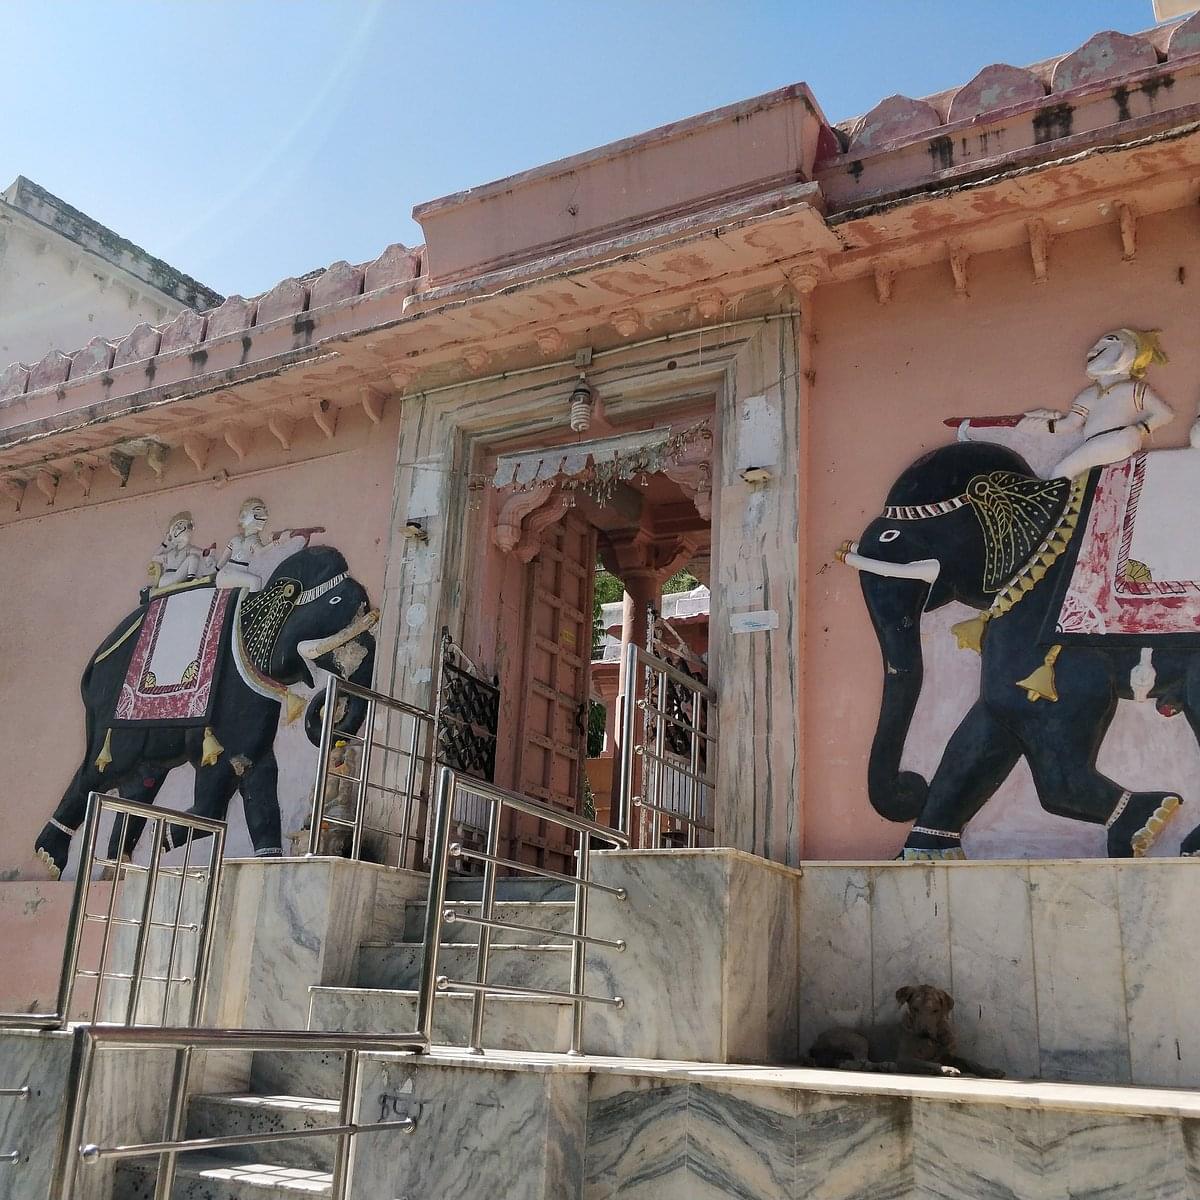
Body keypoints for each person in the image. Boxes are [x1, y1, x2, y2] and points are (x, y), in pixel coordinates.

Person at [1019, 328, 1171, 480]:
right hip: (1095, 443)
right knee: (1063, 473)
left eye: (1108, 341)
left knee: (1061, 473)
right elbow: (1070, 424)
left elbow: (1165, 414)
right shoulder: (1089, 394)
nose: (1092, 351)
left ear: (1126, 350)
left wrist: (1139, 430)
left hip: (1118, 438)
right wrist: (1036, 423)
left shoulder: (1132, 389)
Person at [148, 511, 205, 590]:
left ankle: (190, 579)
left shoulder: (185, 550)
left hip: (167, 580)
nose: (179, 528)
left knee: (193, 557)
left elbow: (201, 552)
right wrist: (165, 543)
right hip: (169, 579)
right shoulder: (171, 553)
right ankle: (191, 580)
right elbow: (154, 558)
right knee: (193, 558)